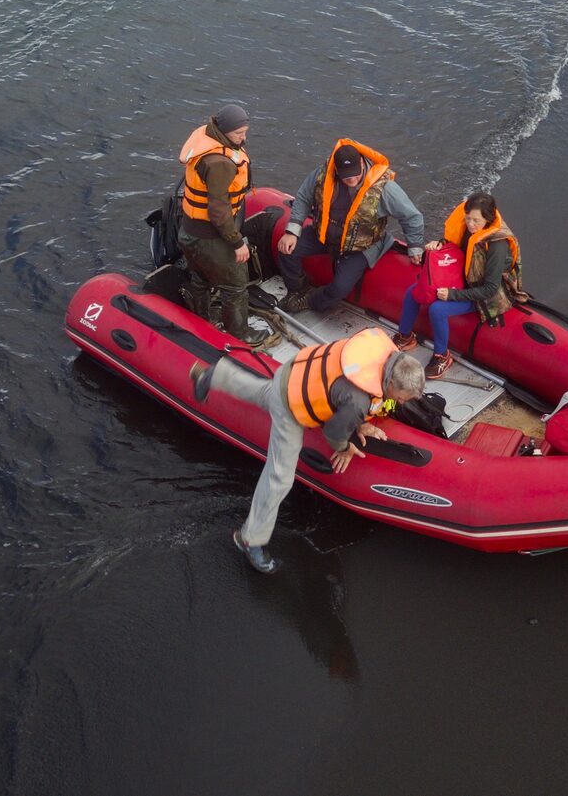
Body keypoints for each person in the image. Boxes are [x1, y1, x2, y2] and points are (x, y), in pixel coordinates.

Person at [189, 327, 425, 573]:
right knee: (279, 476)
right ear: (391, 381)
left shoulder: (381, 350)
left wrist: (361, 422)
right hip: (291, 403)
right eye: (402, 397)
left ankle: (215, 376)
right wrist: (345, 447)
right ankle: (250, 540)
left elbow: (353, 396)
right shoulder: (357, 400)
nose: (401, 403)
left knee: (267, 394)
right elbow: (333, 433)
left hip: (292, 371)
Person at [276, 139, 425, 316]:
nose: (352, 179)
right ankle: (299, 290)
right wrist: (292, 231)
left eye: (355, 174)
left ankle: (310, 301)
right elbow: (303, 197)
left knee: (340, 287)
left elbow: (411, 216)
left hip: (360, 247)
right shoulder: (322, 176)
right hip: (324, 236)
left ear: (362, 163)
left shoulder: (385, 189)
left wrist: (415, 247)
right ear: (337, 171)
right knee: (285, 249)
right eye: (346, 177)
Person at [392, 192, 527, 379]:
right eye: (468, 218)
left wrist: (452, 295)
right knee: (412, 292)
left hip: (485, 295)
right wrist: (438, 245)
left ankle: (442, 356)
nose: (471, 224)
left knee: (438, 310)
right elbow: (452, 248)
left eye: (476, 221)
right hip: (460, 281)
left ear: (488, 219)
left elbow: (490, 289)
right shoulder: (466, 229)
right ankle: (405, 337)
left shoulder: (497, 244)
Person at [178, 104, 271, 346]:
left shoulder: (208, 138)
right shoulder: (220, 163)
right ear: (225, 130)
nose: (244, 138)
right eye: (240, 133)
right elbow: (218, 212)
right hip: (210, 237)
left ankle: (200, 316)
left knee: (200, 277)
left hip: (190, 231)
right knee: (235, 284)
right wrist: (237, 242)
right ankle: (240, 334)